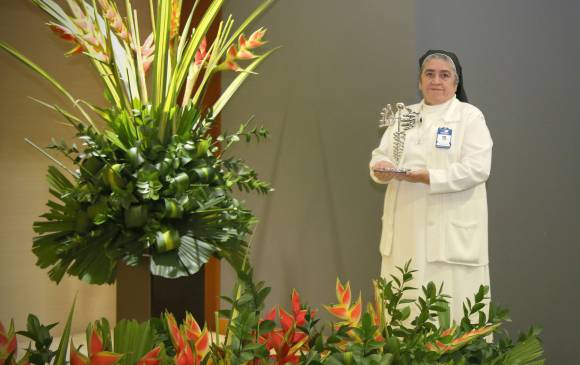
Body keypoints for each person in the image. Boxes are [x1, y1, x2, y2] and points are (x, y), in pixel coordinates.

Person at [369, 50, 493, 322]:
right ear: (419, 81)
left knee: (450, 311)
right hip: (405, 230)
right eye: (429, 73)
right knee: (405, 307)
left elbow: (478, 168)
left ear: (455, 82)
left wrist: (430, 177)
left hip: (449, 235)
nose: (436, 80)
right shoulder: (404, 116)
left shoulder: (469, 117)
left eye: (444, 75)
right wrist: (382, 170)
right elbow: (382, 156)